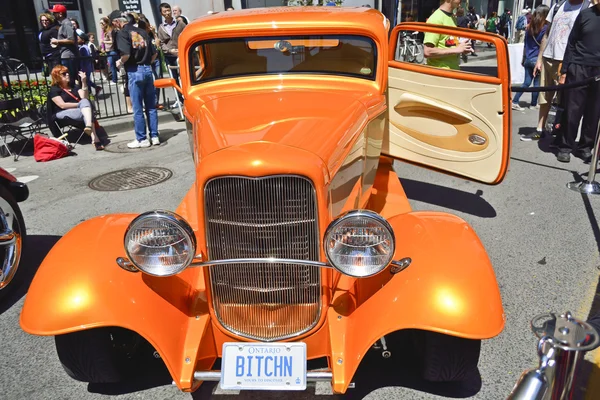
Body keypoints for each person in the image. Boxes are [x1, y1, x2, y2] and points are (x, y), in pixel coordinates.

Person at [532, 0, 590, 140]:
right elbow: (547, 34)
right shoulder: (558, 6)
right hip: (548, 57)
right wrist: (539, 58)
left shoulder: (587, 7)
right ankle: (540, 128)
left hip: (565, 61)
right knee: (544, 97)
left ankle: (559, 132)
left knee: (564, 101)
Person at [554, 0, 600, 162]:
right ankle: (565, 146)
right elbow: (571, 44)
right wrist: (565, 71)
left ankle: (585, 147)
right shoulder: (586, 14)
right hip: (579, 67)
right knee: (573, 110)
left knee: (594, 112)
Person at [116, 13, 159, 149]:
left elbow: (127, 54)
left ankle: (142, 139)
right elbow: (155, 53)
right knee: (151, 106)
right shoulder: (142, 31)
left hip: (135, 70)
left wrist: (119, 62)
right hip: (147, 69)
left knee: (138, 108)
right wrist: (147, 63)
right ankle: (154, 136)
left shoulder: (123, 33)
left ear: (119, 22)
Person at [48, 65, 104, 150]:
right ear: (57, 76)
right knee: (87, 109)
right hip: (62, 114)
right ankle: (95, 137)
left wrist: (84, 82)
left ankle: (92, 134)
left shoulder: (74, 86)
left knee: (86, 107)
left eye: (67, 73)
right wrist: (80, 105)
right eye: (64, 73)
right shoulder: (54, 89)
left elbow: (84, 97)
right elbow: (62, 105)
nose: (67, 75)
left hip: (80, 111)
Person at [512, 5, 550, 114]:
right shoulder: (545, 29)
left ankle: (515, 100)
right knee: (537, 83)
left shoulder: (529, 27)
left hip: (528, 58)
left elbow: (525, 45)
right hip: (537, 59)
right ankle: (533, 104)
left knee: (526, 83)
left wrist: (524, 58)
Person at [423, 0, 472, 70]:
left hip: (453, 70)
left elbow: (448, 41)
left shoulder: (452, 17)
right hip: (440, 72)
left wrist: (462, 47)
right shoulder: (436, 19)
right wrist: (456, 50)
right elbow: (428, 51)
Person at [157, 3, 186, 104]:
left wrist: (181, 48)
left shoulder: (180, 24)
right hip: (169, 55)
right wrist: (169, 50)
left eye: (168, 10)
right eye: (165, 12)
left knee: (184, 76)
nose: (167, 13)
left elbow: (186, 35)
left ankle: (186, 95)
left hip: (181, 53)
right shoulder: (161, 27)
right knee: (174, 77)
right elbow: (161, 42)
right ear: (161, 13)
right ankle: (179, 99)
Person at [49, 4, 78, 86]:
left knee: (70, 77)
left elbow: (71, 39)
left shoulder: (67, 24)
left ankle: (77, 95)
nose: (53, 15)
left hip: (68, 55)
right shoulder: (63, 24)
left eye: (55, 13)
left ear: (60, 14)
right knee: (69, 77)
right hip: (65, 54)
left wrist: (57, 41)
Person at [98, 17, 118, 85]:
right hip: (107, 50)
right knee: (112, 66)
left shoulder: (109, 31)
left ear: (106, 23)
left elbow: (112, 41)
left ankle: (114, 80)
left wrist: (104, 41)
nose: (101, 24)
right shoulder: (103, 31)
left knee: (112, 66)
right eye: (100, 23)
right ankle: (114, 78)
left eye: (102, 23)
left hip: (111, 50)